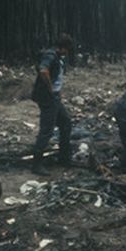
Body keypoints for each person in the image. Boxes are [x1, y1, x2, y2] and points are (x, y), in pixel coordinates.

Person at [30, 33, 74, 175]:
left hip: (54, 97)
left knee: (66, 123)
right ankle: (36, 164)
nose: (68, 52)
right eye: (67, 48)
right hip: (49, 98)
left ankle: (64, 158)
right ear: (64, 47)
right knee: (46, 130)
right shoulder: (51, 55)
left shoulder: (58, 56)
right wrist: (50, 88)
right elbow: (43, 70)